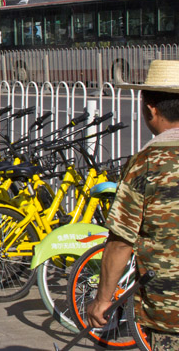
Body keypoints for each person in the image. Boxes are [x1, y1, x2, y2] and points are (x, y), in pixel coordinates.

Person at [86, 60, 179, 349]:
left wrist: (103, 299)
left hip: (170, 309)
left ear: (151, 109)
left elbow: (121, 240)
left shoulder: (146, 163)